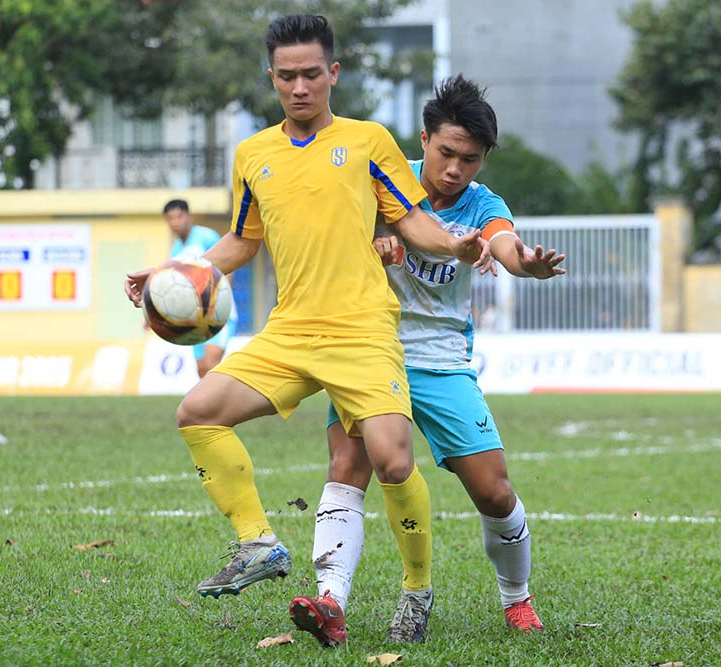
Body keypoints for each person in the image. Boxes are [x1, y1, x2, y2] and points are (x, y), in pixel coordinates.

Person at [124, 15, 493, 645]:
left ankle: (416, 591)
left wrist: (461, 245)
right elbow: (242, 242)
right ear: (272, 77)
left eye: (312, 74)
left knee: (393, 461)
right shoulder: (253, 155)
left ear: (333, 75)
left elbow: (412, 222)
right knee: (198, 410)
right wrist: (173, 272)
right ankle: (259, 544)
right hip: (290, 330)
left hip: (362, 329)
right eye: (287, 76)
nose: (300, 87)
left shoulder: (369, 141)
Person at [290, 75, 566, 645]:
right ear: (423, 139)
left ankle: (517, 599)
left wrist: (526, 264)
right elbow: (342, 241)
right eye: (445, 153)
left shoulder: (483, 204)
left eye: (470, 159)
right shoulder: (383, 183)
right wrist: (376, 244)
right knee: (348, 468)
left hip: (442, 360)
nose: (455, 169)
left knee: (494, 491)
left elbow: (505, 244)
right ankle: (330, 600)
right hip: (368, 351)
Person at [162, 199, 239, 377]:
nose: (175, 222)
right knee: (202, 370)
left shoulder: (206, 237)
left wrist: (219, 298)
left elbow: (228, 264)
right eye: (170, 218)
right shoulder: (176, 249)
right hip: (194, 319)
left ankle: (229, 402)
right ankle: (219, 405)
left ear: (189, 217)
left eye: (179, 216)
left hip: (218, 314)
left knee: (211, 364)